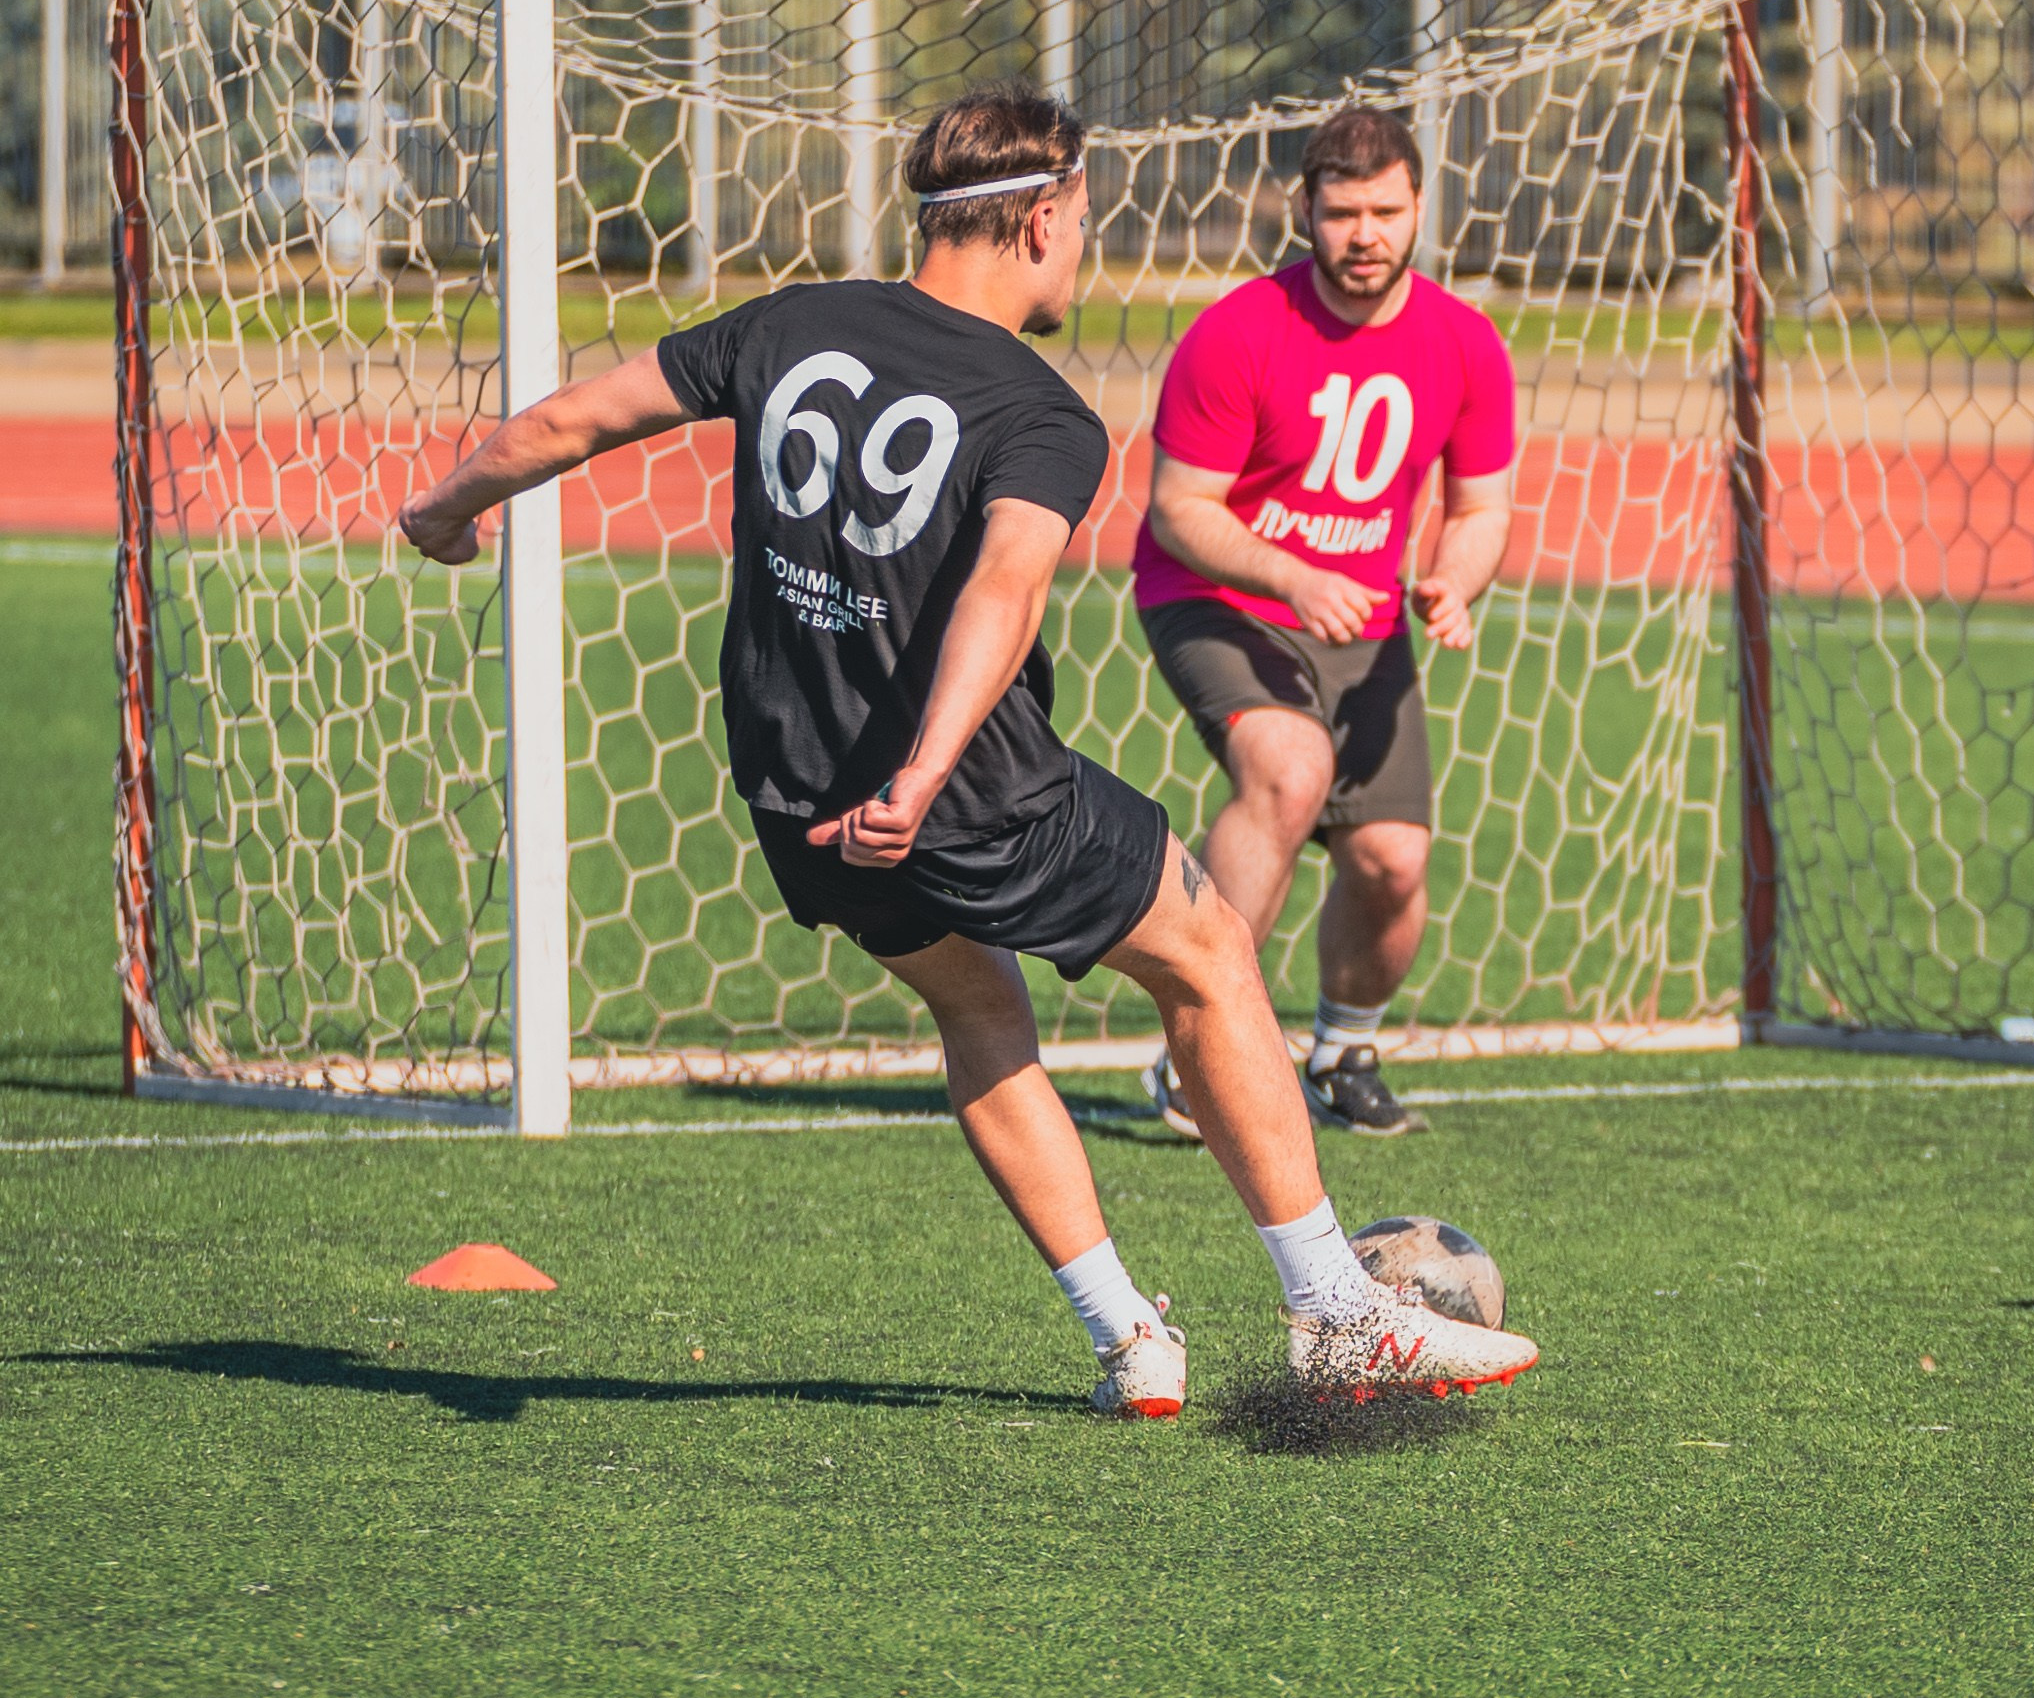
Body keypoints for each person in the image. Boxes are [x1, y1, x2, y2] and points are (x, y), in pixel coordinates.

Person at [394, 80, 1537, 1421]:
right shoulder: (1037, 411)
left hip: (790, 782)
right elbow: (1002, 596)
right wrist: (929, 774)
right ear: (1041, 219)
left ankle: (1129, 1342)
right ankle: (1338, 1315)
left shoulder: (789, 321)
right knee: (1214, 953)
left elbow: (576, 419)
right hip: (961, 789)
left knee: (979, 1008)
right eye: (1085, 222)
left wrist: (445, 505)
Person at [1132, 103, 1518, 1140]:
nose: (1365, 234)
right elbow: (1180, 508)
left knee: (1392, 857)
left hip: (1365, 618)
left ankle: (1344, 1048)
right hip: (1215, 596)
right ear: (1304, 209)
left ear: (1418, 206)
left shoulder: (1464, 342)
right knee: (1289, 770)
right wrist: (1293, 574)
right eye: (1342, 211)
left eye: (1385, 210)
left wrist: (1453, 580)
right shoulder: (1239, 331)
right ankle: (1194, 1052)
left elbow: (1482, 510)